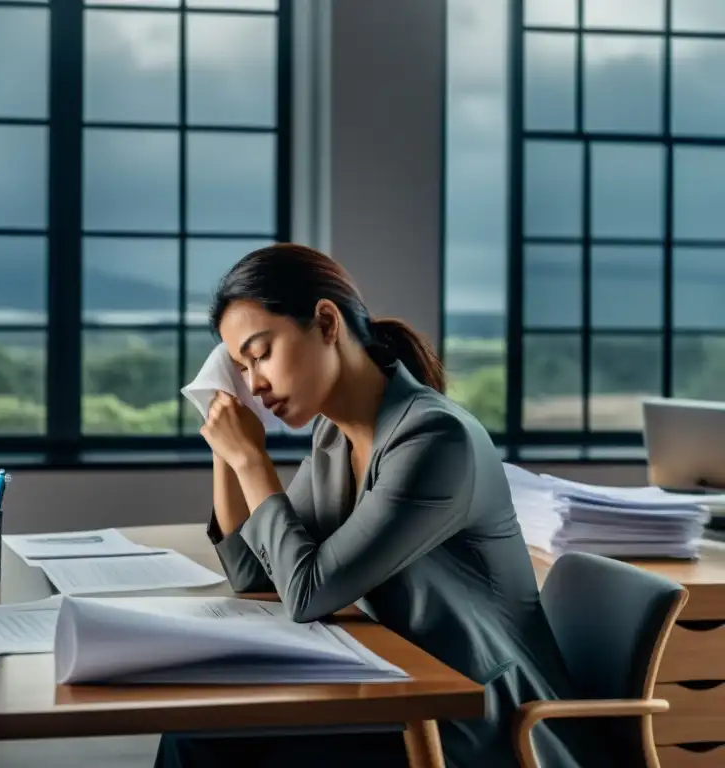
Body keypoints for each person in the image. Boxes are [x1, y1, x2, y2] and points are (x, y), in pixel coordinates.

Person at [155, 244, 588, 768]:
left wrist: (252, 462)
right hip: (401, 688)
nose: (254, 384)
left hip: (480, 719)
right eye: (241, 369)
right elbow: (256, 577)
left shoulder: (434, 437)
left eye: (261, 353)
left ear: (325, 322)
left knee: (231, 748)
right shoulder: (333, 437)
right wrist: (225, 439)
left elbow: (307, 592)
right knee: (195, 733)